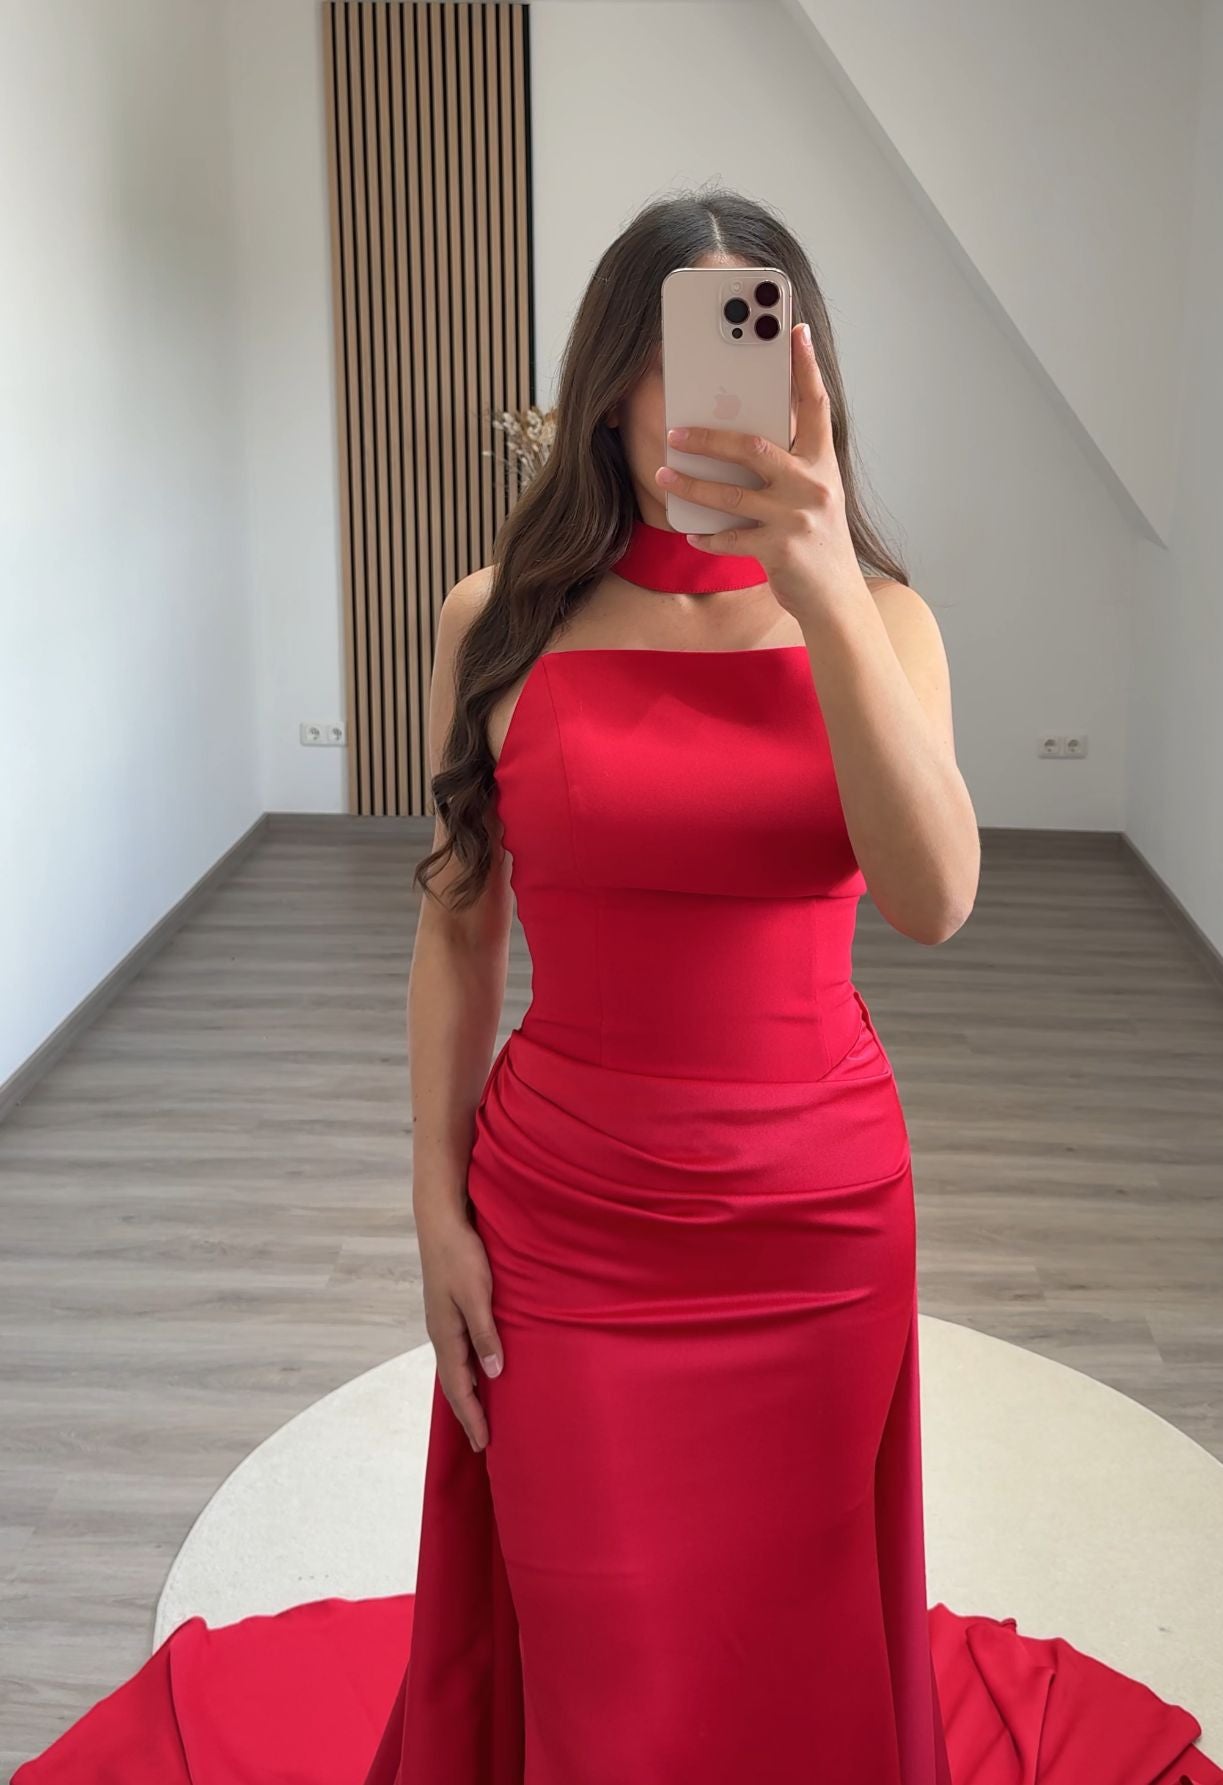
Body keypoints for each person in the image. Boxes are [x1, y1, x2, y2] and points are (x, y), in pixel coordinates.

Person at [14, 191, 1221, 1785]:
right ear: (608, 382)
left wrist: (818, 586)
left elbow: (934, 902)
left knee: (791, 1627)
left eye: (752, 341)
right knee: (601, 1630)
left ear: (805, 373)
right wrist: (433, 1207)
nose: (705, 392)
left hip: (817, 1219)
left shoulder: (884, 623)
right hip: (568, 1215)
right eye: (673, 350)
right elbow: (458, 927)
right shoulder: (498, 622)